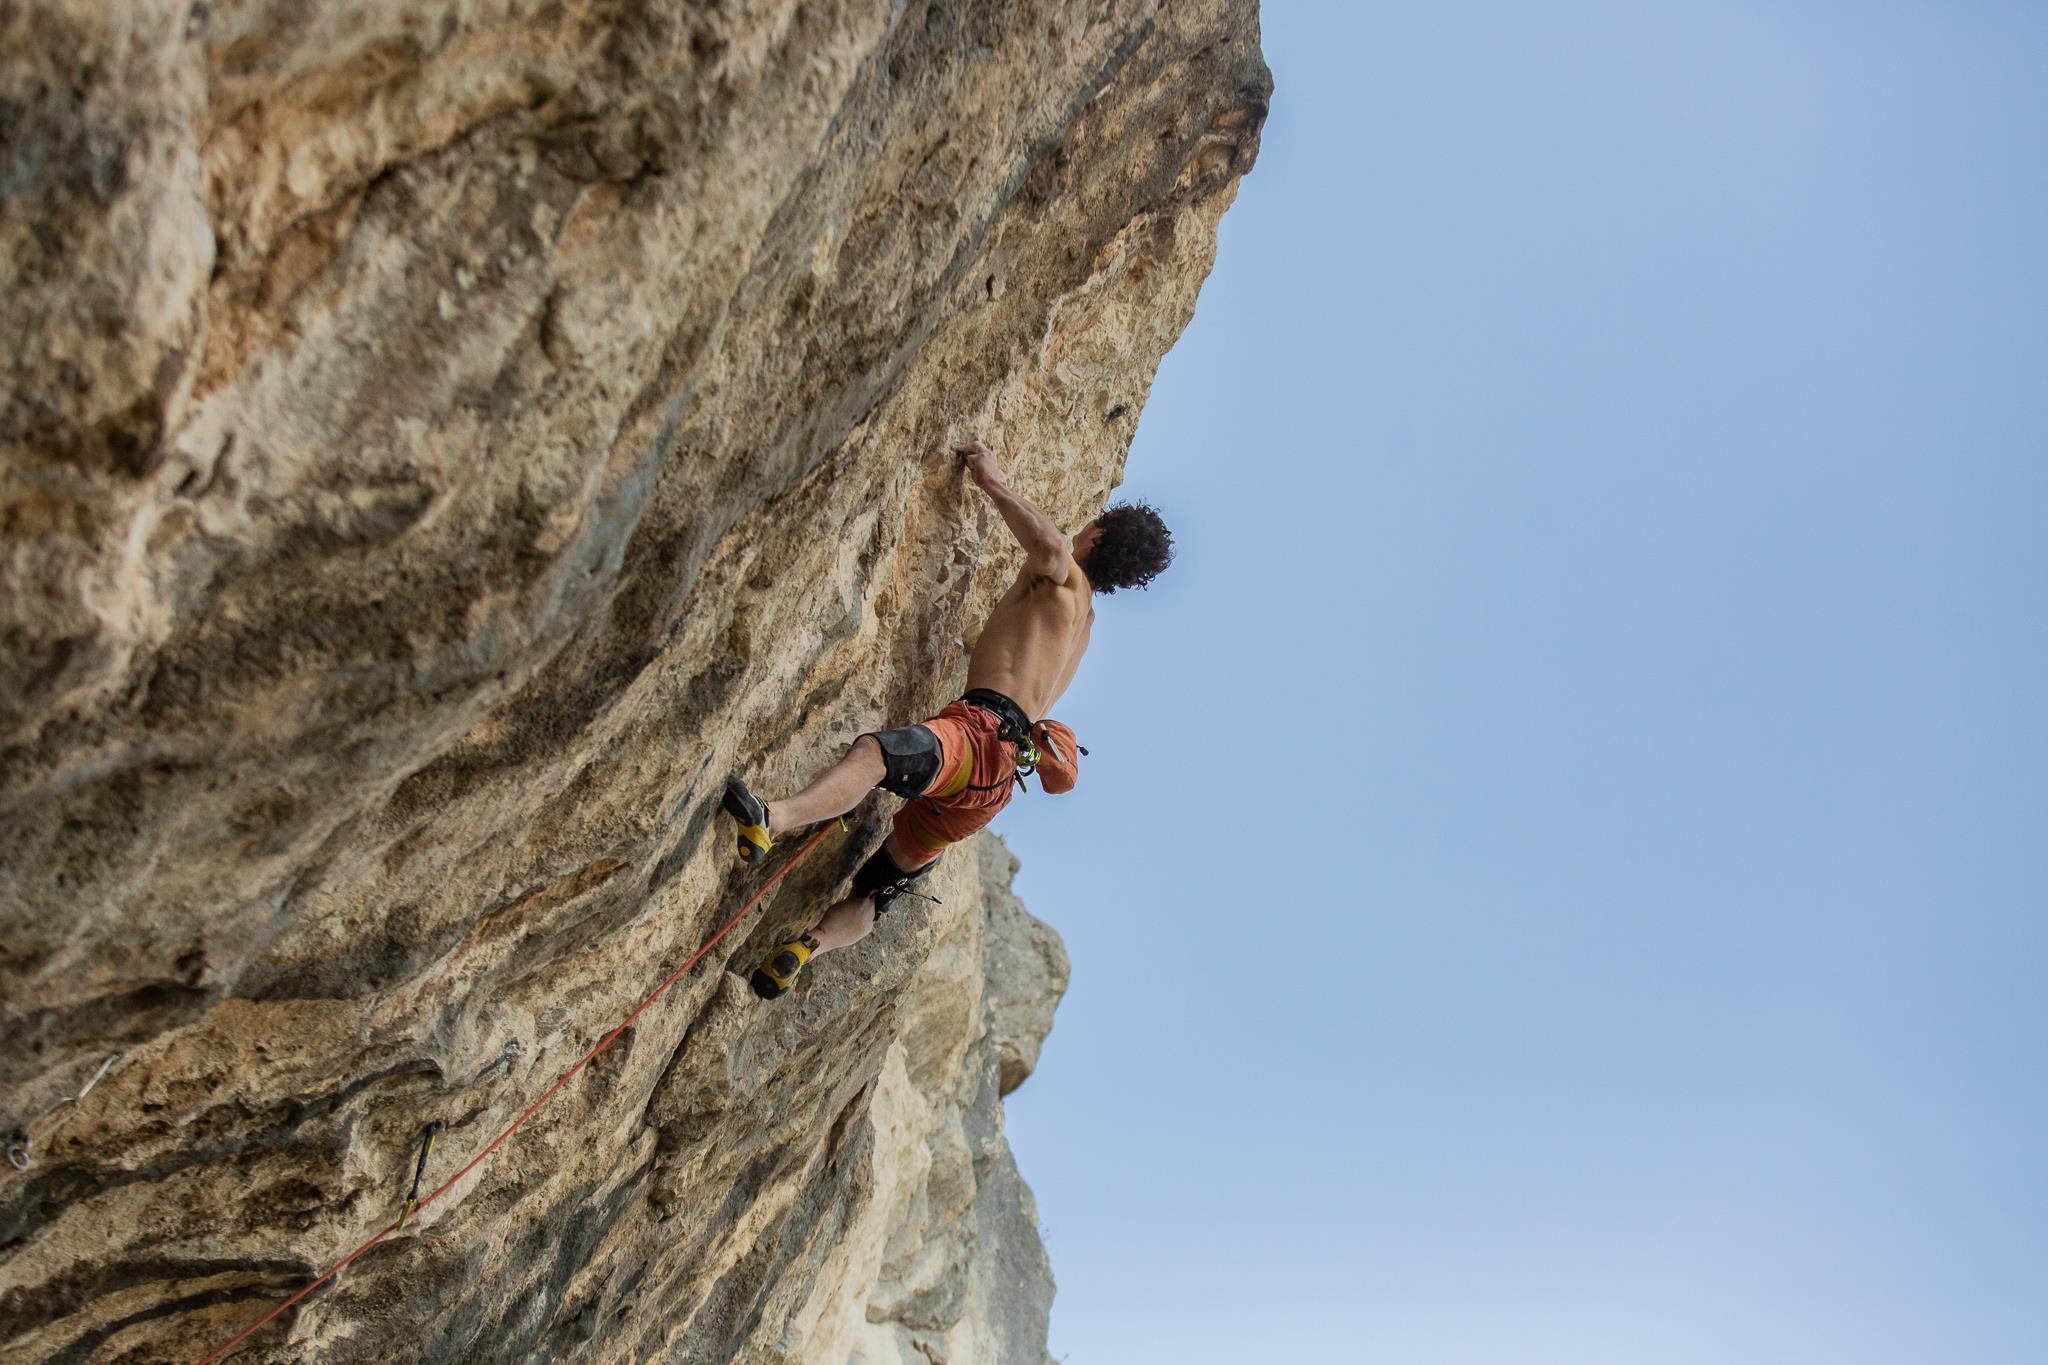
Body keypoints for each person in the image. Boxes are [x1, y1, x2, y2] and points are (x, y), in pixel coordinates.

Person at [723, 436, 1174, 998]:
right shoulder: (1085, 630)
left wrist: (991, 479)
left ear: (1099, 535)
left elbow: (1053, 549)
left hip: (977, 736)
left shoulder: (1065, 582)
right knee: (877, 890)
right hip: (995, 785)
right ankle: (810, 944)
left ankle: (776, 818)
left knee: (874, 756)